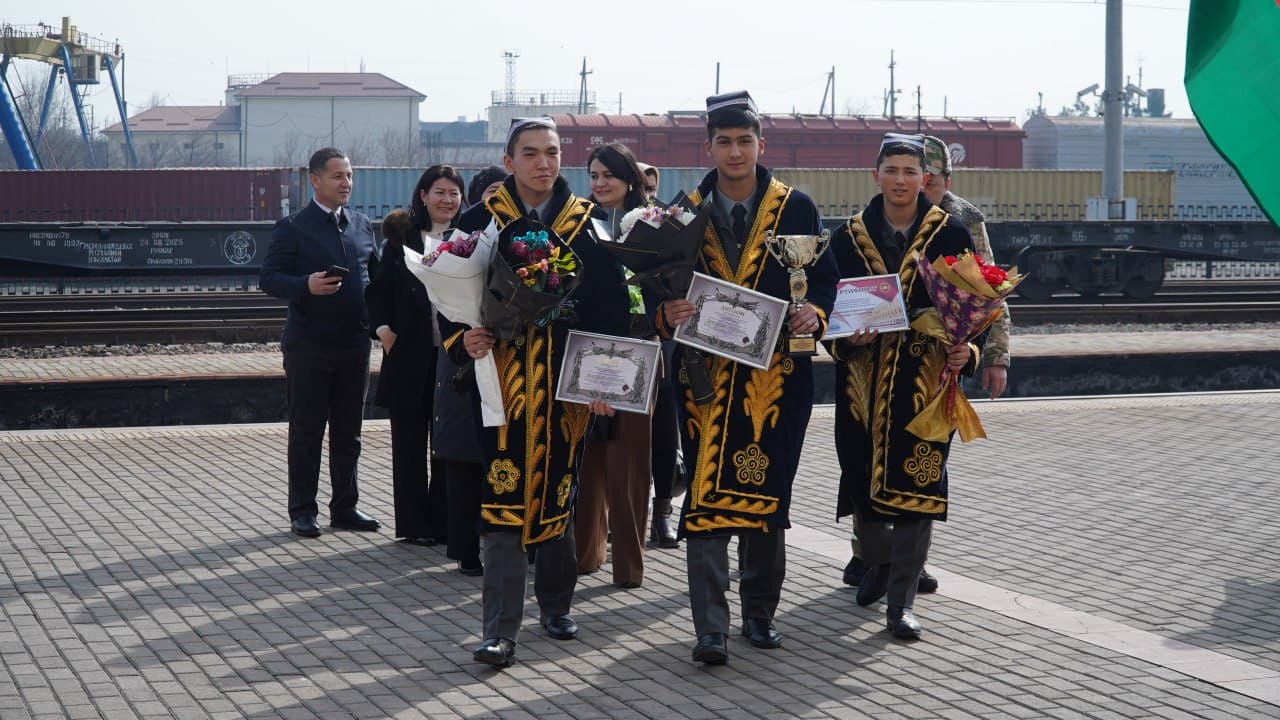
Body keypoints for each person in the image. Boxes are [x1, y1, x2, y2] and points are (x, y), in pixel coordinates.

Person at [655, 91, 838, 665]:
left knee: (766, 494)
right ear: (707, 147)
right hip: (702, 382)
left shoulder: (797, 208)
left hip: (778, 378)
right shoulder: (682, 211)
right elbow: (654, 286)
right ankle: (710, 626)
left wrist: (818, 312)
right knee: (706, 498)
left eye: (745, 141)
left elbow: (826, 279)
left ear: (762, 145)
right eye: (725, 142)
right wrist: (666, 312)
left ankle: (759, 613)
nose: (735, 152)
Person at [443, 117, 630, 668]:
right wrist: (463, 338)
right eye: (530, 153)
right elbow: (450, 300)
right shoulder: (478, 221)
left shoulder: (589, 225)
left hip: (567, 390)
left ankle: (555, 603)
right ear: (509, 161)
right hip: (501, 384)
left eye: (551, 152)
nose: (542, 163)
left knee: (560, 493)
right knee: (501, 503)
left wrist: (604, 383)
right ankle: (499, 629)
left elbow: (610, 312)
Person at [827, 133, 980, 640]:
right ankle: (874, 564)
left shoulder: (951, 233)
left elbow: (974, 308)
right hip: (863, 385)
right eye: (891, 170)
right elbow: (829, 313)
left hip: (926, 385)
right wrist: (848, 338)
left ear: (926, 178)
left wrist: (969, 350)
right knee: (863, 482)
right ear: (876, 175)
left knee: (920, 486)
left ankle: (902, 604)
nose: (900, 180)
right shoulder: (847, 237)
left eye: (910, 172)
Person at [260, 147, 380, 538]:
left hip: (354, 345)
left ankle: (345, 507)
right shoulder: (293, 226)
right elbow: (269, 279)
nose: (346, 183)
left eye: (349, 176)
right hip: (309, 345)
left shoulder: (361, 225)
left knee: (350, 433)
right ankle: (302, 511)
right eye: (337, 176)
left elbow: (375, 280)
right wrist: (305, 286)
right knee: (308, 430)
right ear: (315, 180)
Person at [365, 165, 463, 546]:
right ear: (423, 196)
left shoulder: (467, 239)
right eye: (439, 192)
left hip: (454, 358)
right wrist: (384, 331)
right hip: (409, 356)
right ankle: (412, 525)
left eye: (454, 193)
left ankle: (443, 523)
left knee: (447, 444)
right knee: (408, 444)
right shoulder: (402, 241)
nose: (447, 200)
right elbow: (377, 293)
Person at [573, 142, 654, 588]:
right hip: (588, 356)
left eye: (609, 175)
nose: (601, 183)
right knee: (589, 463)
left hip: (640, 353)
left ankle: (629, 566)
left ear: (628, 179)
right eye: (595, 175)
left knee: (629, 467)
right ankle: (586, 555)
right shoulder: (578, 224)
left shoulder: (653, 224)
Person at [921, 135, 1011, 399]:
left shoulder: (965, 222)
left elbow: (990, 290)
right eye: (918, 180)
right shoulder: (884, 218)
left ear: (947, 183)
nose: (921, 191)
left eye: (931, 183)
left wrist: (996, 357)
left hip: (946, 354)